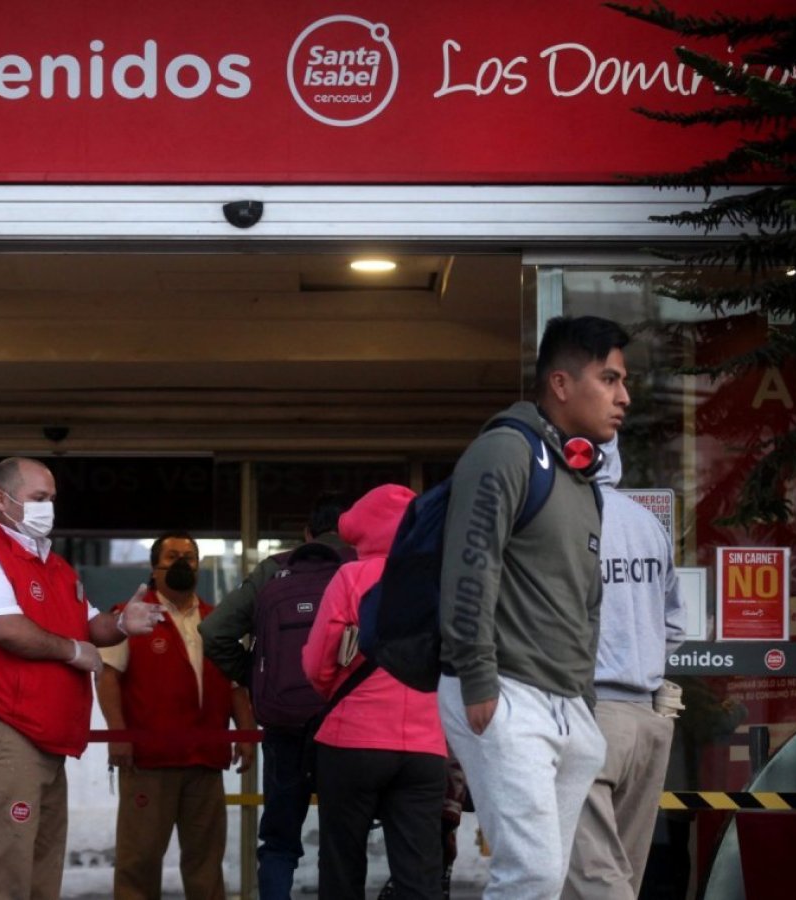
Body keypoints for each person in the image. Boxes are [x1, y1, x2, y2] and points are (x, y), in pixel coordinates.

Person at [438, 315, 632, 900]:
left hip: (568, 704)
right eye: (610, 378)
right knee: (530, 877)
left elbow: (587, 599)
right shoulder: (505, 450)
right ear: (561, 384)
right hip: (505, 692)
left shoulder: (582, 480)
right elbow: (471, 566)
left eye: (624, 381)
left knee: (547, 880)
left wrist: (586, 703)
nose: (624, 396)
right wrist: (476, 678)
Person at [0, 456, 164, 900]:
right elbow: (5, 628)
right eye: (38, 499)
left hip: (47, 741)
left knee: (40, 876)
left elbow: (90, 626)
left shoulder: (55, 567)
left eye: (52, 499)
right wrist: (73, 651)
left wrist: (122, 622)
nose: (49, 508)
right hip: (4, 735)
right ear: (1, 500)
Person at [199, 492, 351, 900]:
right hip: (346, 725)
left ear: (307, 534)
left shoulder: (274, 570)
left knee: (280, 842)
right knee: (342, 842)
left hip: (285, 725)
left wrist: (252, 675)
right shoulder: (359, 570)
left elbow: (214, 632)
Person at [303, 484, 449, 900]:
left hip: (352, 742)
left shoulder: (350, 577)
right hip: (425, 746)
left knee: (342, 862)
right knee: (419, 871)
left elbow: (317, 662)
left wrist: (335, 691)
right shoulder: (438, 581)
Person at [97, 532, 257, 900]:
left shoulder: (218, 621)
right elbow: (108, 677)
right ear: (154, 568)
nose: (182, 562)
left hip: (206, 761)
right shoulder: (130, 617)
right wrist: (118, 736)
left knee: (206, 864)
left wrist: (246, 735)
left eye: (189, 555)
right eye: (172, 556)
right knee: (139, 862)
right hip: (149, 763)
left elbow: (235, 687)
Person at [562, 435, 686, 900]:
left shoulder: (561, 521)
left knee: (593, 876)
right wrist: (640, 656)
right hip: (648, 720)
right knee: (620, 875)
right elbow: (675, 623)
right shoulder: (647, 525)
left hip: (589, 712)